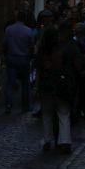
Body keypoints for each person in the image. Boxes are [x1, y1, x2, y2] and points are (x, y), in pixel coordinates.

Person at [36, 25, 75, 153]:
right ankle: (64, 141)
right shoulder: (61, 50)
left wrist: (37, 87)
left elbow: (38, 71)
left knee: (47, 114)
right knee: (63, 113)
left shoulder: (41, 52)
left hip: (46, 86)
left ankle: (47, 139)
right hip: (60, 84)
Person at [1, 11, 34, 114]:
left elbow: (5, 44)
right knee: (25, 84)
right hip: (23, 59)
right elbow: (31, 46)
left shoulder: (9, 29)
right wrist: (30, 57)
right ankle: (25, 106)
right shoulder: (29, 31)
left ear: (16, 18)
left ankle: (8, 105)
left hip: (11, 58)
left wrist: (6, 55)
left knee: (10, 83)